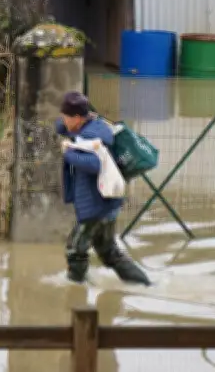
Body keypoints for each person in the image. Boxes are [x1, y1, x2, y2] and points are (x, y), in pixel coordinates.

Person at [56, 91, 151, 286]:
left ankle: (75, 290)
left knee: (75, 249)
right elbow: (63, 128)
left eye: (65, 117)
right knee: (108, 252)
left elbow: (95, 164)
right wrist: (65, 127)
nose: (63, 120)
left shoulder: (91, 136)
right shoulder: (91, 125)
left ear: (76, 118)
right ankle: (145, 285)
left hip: (95, 205)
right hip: (107, 205)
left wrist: (68, 153)